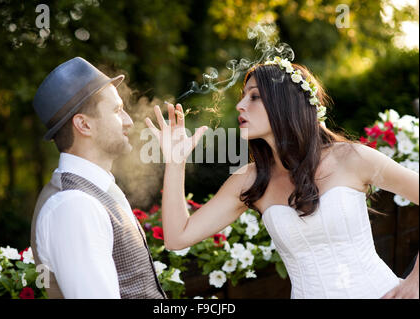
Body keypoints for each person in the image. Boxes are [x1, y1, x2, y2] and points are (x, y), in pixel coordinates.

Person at [145, 57, 419, 299]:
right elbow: (177, 238)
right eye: (243, 96)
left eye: (254, 97)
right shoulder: (249, 181)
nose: (240, 105)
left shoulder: (352, 158)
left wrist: (416, 281)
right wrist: (176, 161)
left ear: (284, 102)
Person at [30, 57, 166, 299]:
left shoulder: (96, 191)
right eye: (116, 110)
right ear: (83, 124)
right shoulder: (74, 206)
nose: (128, 120)